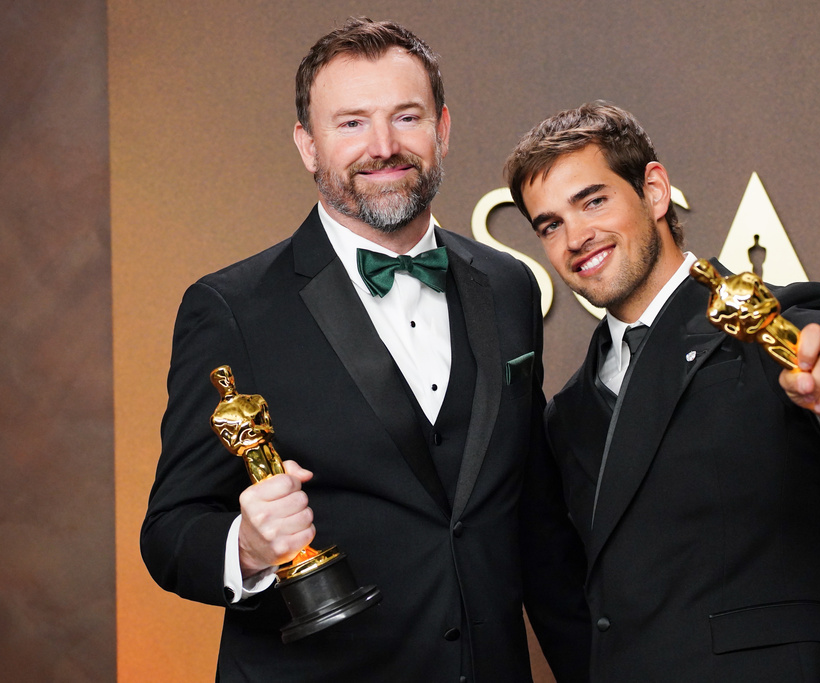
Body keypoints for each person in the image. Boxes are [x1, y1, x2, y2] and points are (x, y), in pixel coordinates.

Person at [141, 18, 589, 682]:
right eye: (350, 123)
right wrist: (249, 546)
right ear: (307, 144)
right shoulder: (233, 306)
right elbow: (171, 532)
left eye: (405, 117)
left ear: (442, 128)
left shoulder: (509, 285)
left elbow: (537, 527)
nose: (383, 147)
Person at [503, 101, 820, 682]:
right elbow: (572, 596)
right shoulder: (567, 412)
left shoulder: (777, 322)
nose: (576, 237)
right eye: (550, 224)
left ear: (654, 191)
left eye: (593, 201)